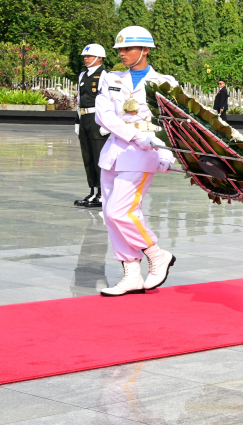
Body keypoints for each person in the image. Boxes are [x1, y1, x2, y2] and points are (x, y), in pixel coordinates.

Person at [94, 26, 177, 297]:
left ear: (146, 50)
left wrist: (166, 153)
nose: (122, 53)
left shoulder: (164, 82)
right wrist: (133, 135)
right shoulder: (112, 78)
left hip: (143, 155)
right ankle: (131, 273)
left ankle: (156, 253)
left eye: (128, 48)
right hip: (115, 151)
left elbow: (171, 124)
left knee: (121, 210)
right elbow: (103, 115)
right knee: (111, 215)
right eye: (119, 49)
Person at [73, 44, 110, 208]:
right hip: (85, 117)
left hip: (97, 118)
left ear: (99, 58)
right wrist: (77, 120)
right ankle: (93, 191)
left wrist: (106, 123)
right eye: (85, 56)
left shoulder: (105, 75)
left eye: (89, 56)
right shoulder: (82, 75)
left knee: (99, 157)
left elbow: (108, 100)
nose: (85, 58)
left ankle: (103, 193)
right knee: (87, 157)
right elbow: (79, 100)